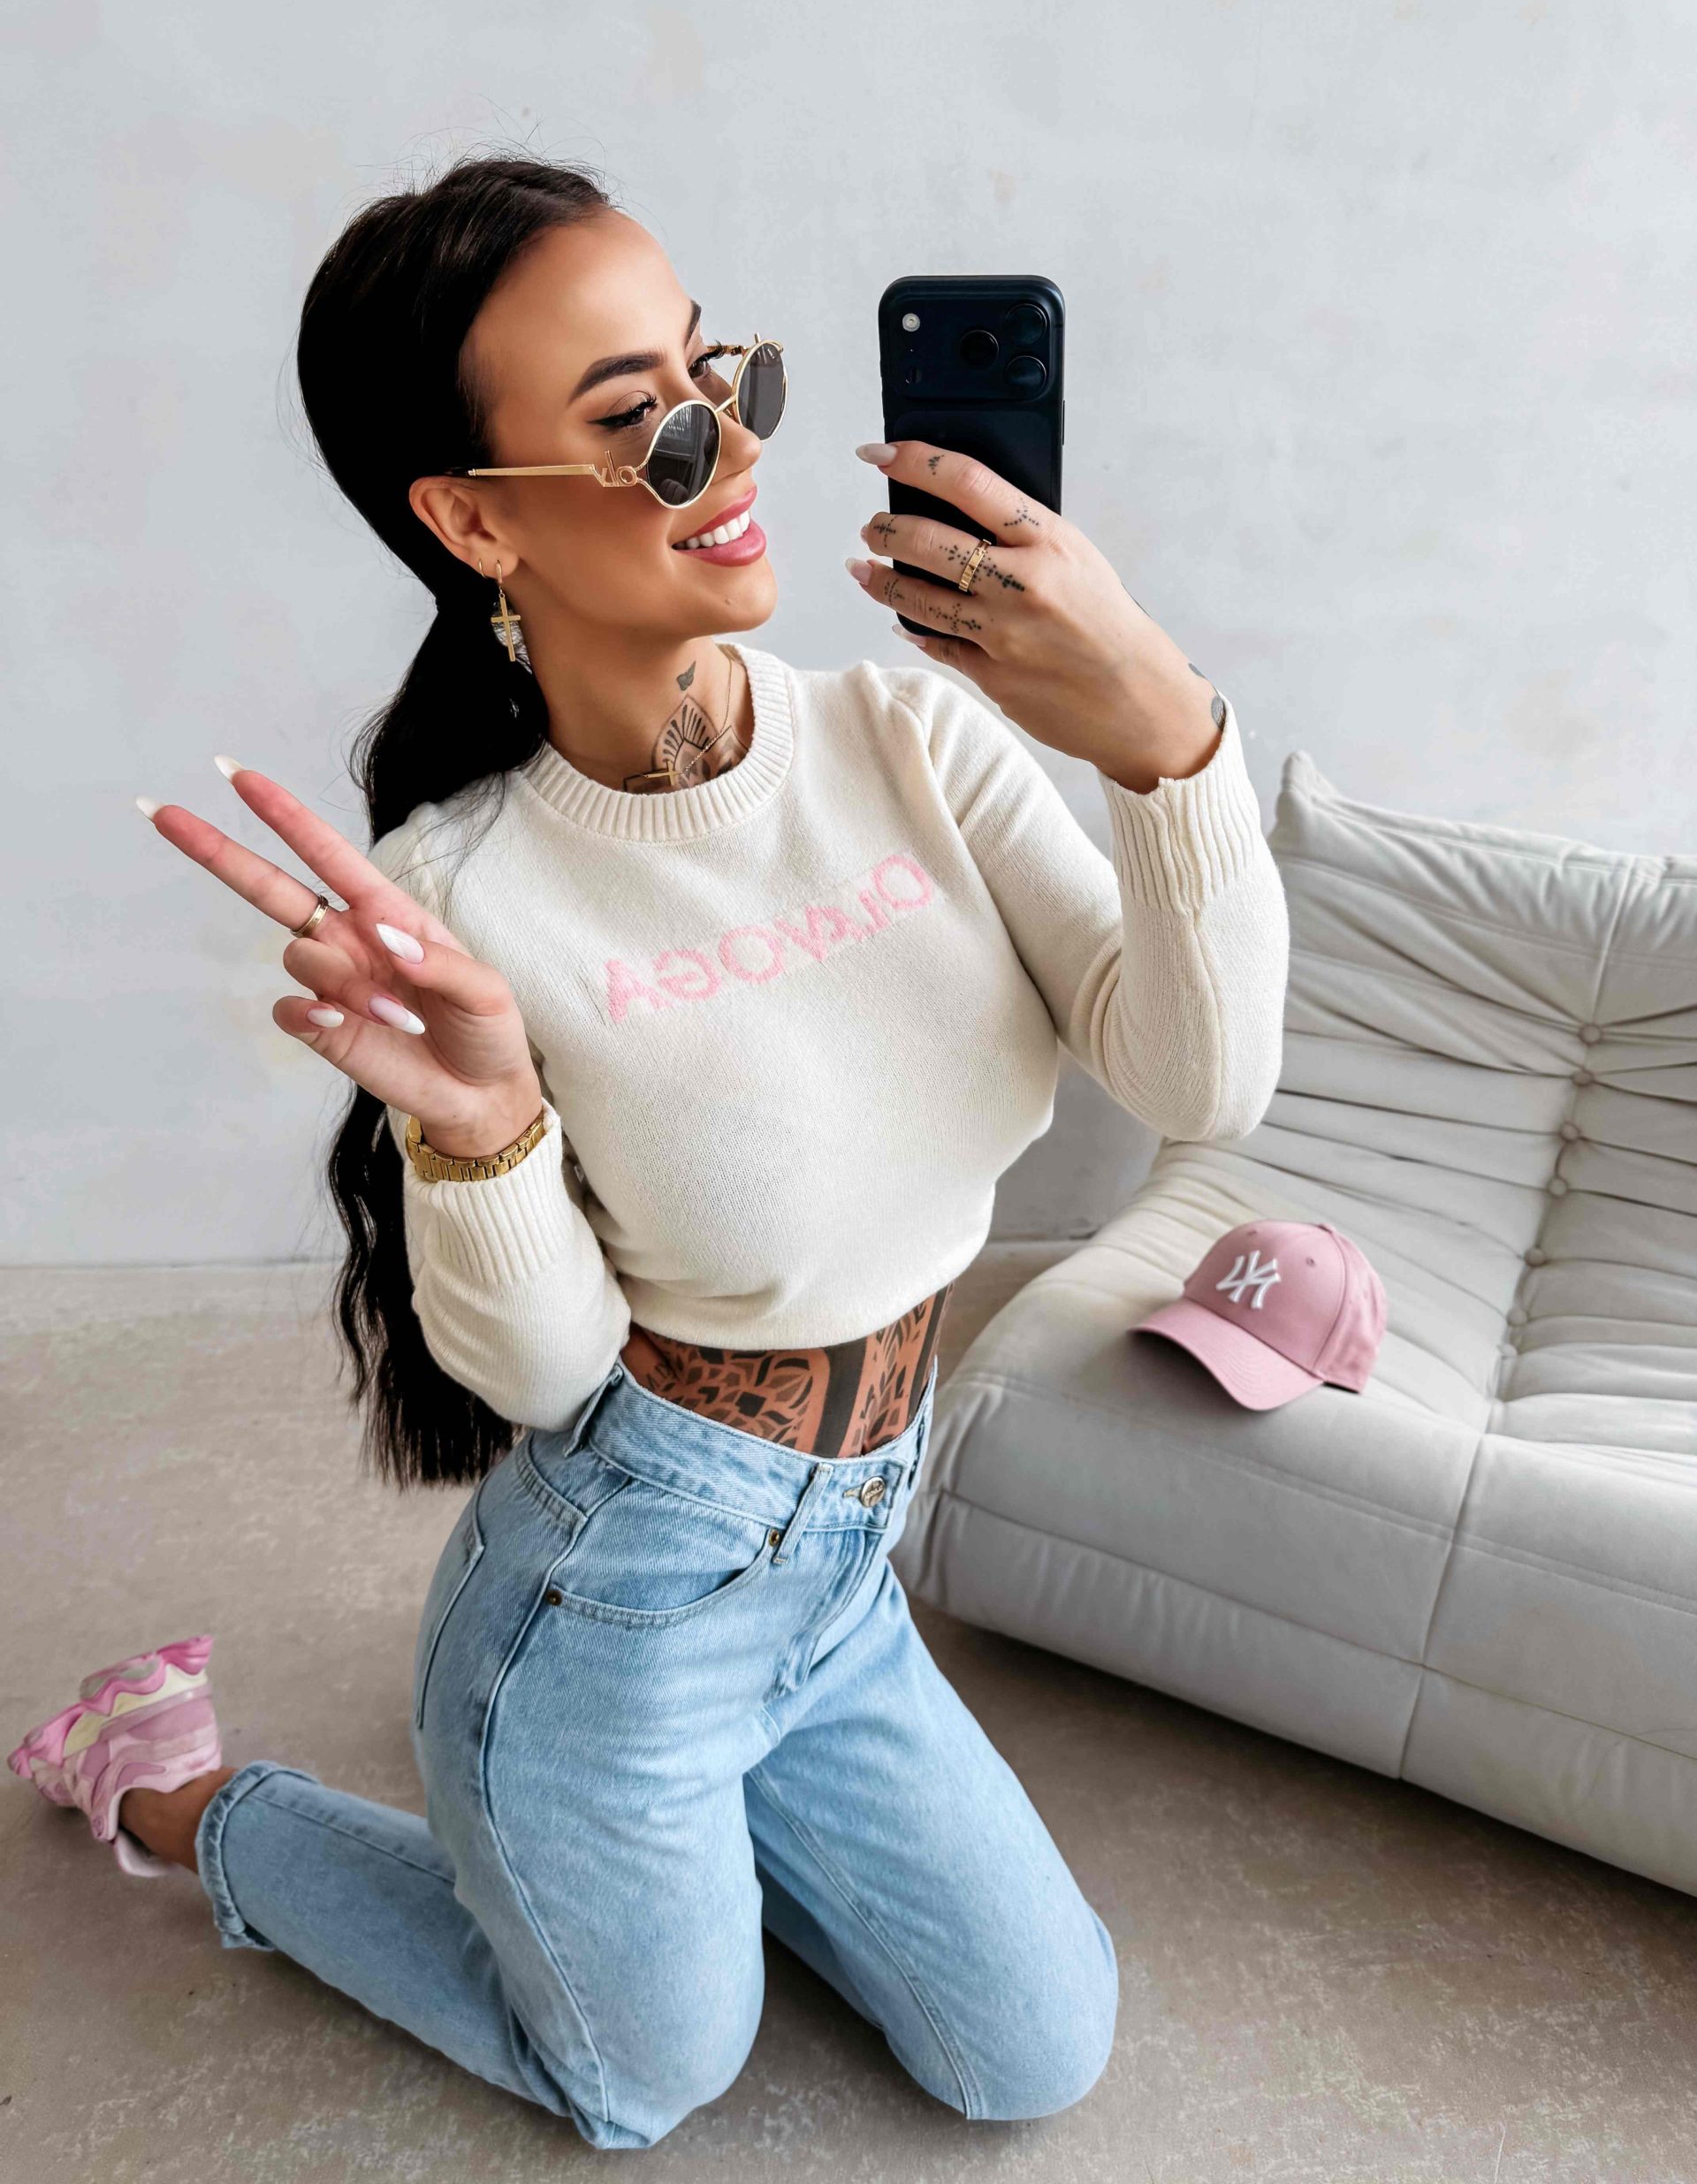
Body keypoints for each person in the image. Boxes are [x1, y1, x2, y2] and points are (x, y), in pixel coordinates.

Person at [11, 152, 1290, 2149]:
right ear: (471, 518)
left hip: (850, 1563)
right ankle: (177, 1786)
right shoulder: (462, 898)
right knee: (641, 2076)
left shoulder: (912, 736)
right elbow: (539, 1376)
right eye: (645, 425)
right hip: (623, 1592)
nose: (732, 454)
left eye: (725, 377)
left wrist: (1166, 735)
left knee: (1035, 2049)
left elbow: (1198, 1080)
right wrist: (485, 1126)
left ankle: (694, 1839)